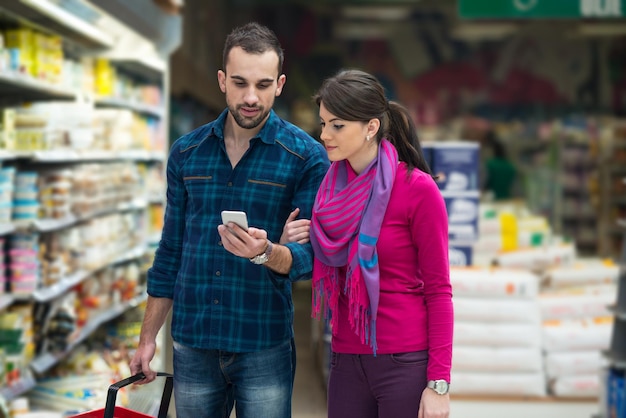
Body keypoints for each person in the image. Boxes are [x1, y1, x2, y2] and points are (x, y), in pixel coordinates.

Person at [129, 22, 329, 418]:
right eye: (239, 83)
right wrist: (148, 337)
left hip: (263, 342)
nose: (250, 97)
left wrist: (267, 252)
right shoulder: (186, 153)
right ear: (222, 80)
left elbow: (309, 259)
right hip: (193, 340)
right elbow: (170, 250)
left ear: (280, 84)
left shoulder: (306, 157)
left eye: (263, 84)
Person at [308, 69, 453, 418]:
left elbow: (439, 292)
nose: (325, 135)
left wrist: (438, 384)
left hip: (403, 362)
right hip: (344, 357)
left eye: (337, 125)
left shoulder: (417, 190)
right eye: (324, 123)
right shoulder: (330, 193)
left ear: (371, 127)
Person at [483, 129, 516, 200]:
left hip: (492, 197)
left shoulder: (490, 164)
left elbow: (485, 182)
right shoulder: (510, 166)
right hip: (507, 197)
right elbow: (514, 185)